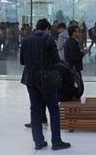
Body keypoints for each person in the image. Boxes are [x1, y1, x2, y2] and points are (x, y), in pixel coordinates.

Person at [20, 18, 71, 151]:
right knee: (53, 109)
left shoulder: (26, 40)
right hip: (47, 79)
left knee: (35, 109)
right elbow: (56, 59)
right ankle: (56, 141)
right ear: (47, 28)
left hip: (30, 78)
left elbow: (22, 61)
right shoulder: (48, 39)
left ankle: (38, 141)